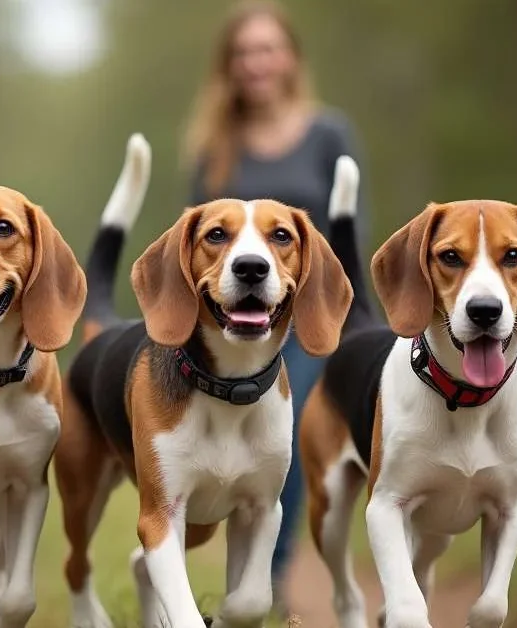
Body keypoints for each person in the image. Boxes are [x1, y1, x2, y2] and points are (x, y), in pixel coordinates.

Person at [184, 0, 368, 614]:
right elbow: (193, 247)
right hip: (228, 326)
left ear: (289, 58)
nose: (255, 63)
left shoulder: (328, 133)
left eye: (267, 49)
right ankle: (187, 574)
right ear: (229, 67)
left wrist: (353, 314)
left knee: (281, 447)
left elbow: (347, 231)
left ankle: (269, 576)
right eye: (243, 53)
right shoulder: (214, 146)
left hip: (307, 313)